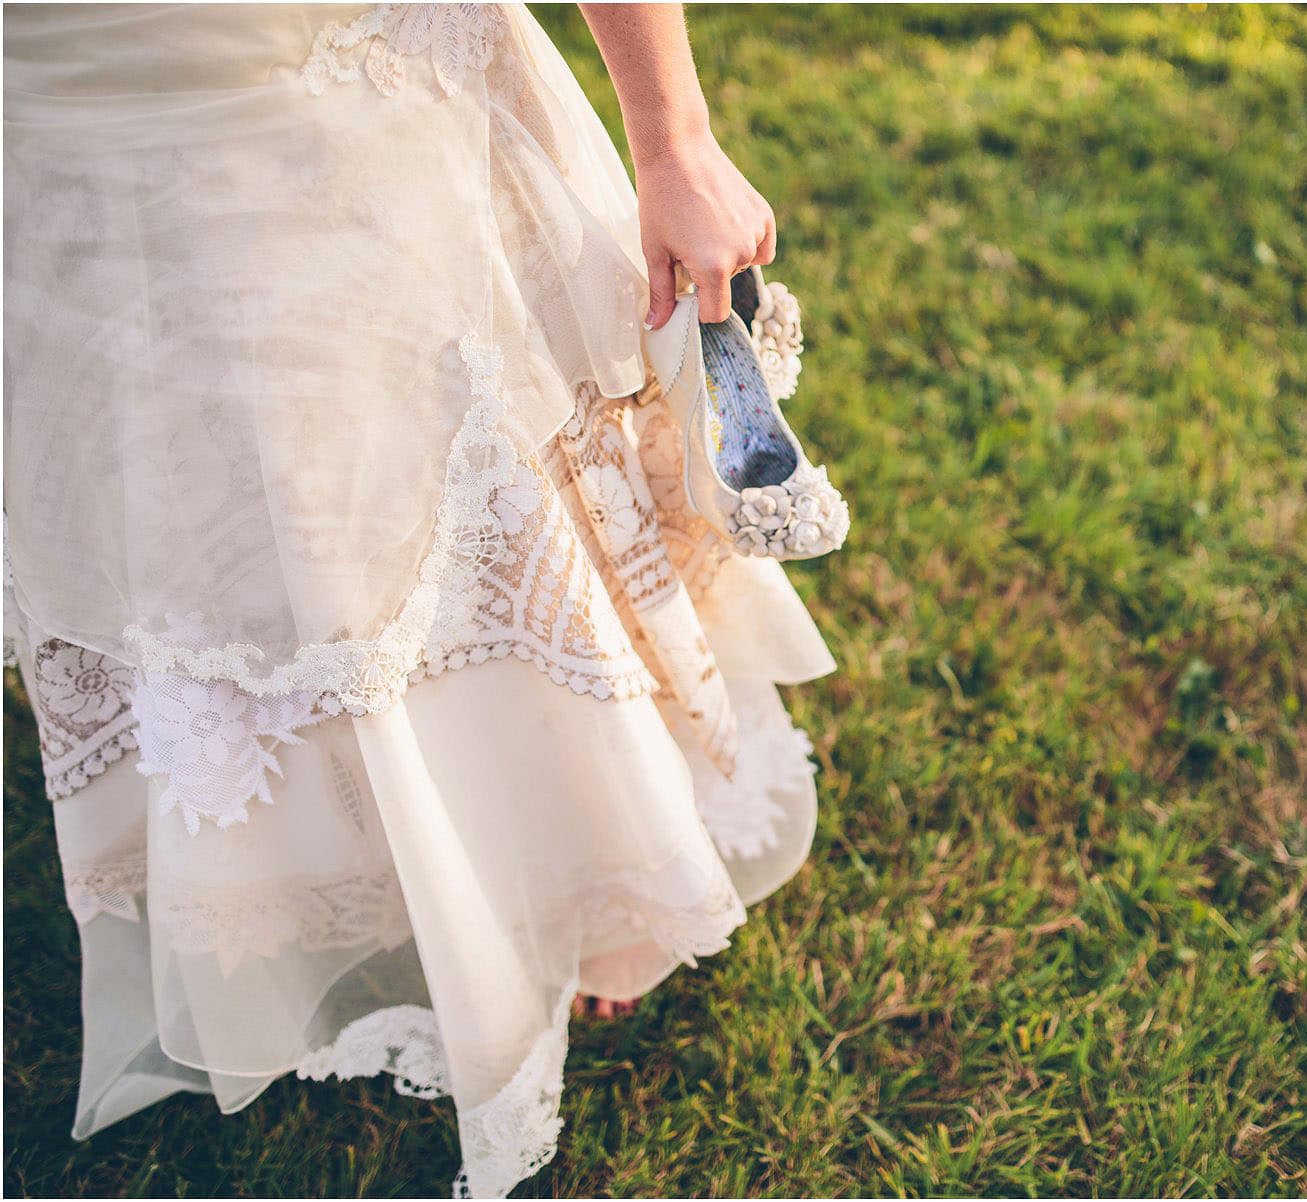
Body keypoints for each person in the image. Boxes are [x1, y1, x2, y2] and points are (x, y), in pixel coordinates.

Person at [2, 4, 836, 1196]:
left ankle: (579, 869)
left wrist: (675, 142)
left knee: (428, 497)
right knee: (200, 526)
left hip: (332, 77)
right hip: (61, 104)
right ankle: (328, 910)